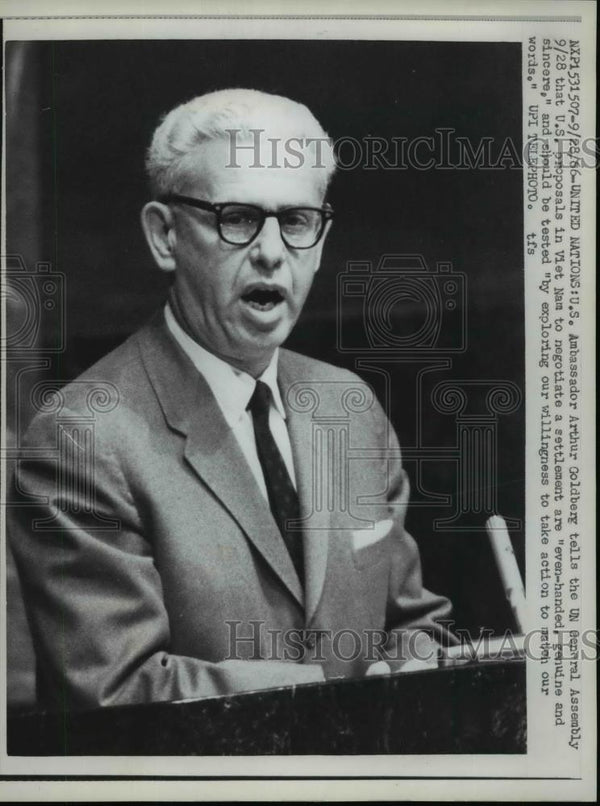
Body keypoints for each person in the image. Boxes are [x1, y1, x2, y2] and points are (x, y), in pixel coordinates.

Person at [9, 89, 456, 711]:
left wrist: (423, 661)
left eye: (297, 221)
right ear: (164, 236)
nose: (273, 251)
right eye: (239, 217)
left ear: (322, 239)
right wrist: (340, 693)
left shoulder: (348, 407)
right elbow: (114, 695)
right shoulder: (84, 436)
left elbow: (414, 626)